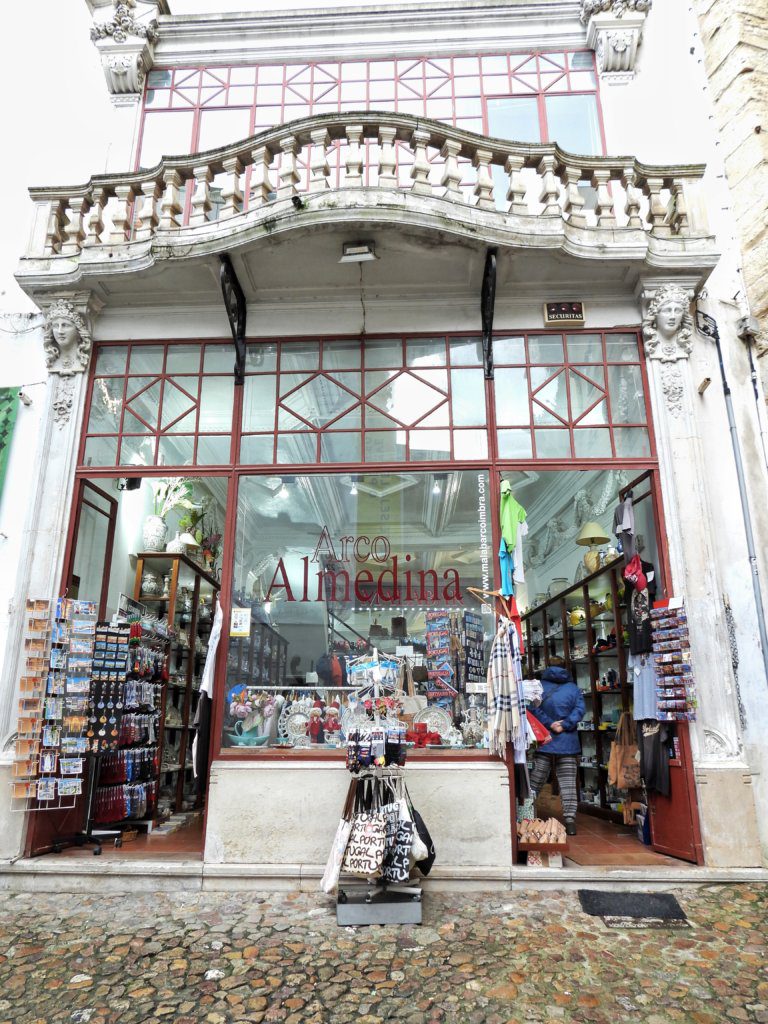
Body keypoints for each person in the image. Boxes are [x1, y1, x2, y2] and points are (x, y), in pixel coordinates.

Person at [528, 656, 585, 836]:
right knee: (568, 783)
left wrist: (550, 723)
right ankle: (570, 822)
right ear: (565, 667)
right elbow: (580, 710)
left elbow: (532, 708)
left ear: (547, 667)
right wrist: (565, 724)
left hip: (545, 740)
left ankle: (525, 815)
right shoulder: (573, 688)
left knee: (536, 780)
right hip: (568, 742)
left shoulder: (538, 687)